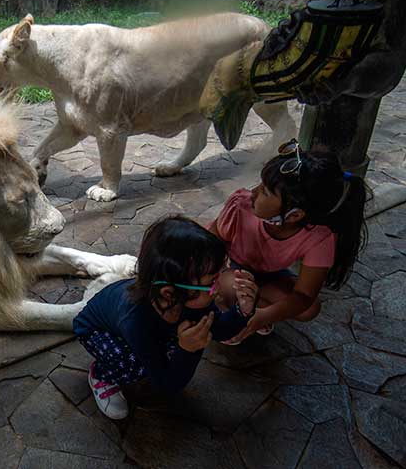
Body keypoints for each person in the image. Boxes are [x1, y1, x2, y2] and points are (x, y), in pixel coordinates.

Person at [72, 216, 257, 420]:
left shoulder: (190, 298)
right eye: (212, 281)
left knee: (165, 349)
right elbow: (167, 385)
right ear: (169, 293)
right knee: (134, 364)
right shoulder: (136, 320)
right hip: (94, 329)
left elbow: (220, 329)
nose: (220, 286)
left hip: (139, 325)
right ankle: (101, 374)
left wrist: (242, 311)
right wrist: (188, 350)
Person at [209, 140, 369, 343]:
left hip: (267, 275)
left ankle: (246, 309)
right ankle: (231, 303)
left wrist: (263, 317)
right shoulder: (242, 206)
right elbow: (212, 243)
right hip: (229, 267)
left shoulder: (320, 237)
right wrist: (218, 275)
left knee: (310, 309)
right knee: (233, 285)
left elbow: (304, 295)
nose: (254, 192)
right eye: (261, 183)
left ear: (294, 215)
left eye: (266, 191)